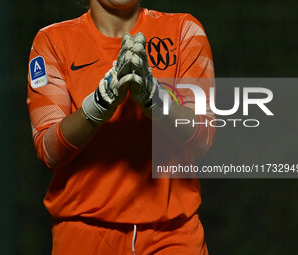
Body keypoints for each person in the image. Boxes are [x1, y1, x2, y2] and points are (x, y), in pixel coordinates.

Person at [27, 0, 215, 254]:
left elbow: (202, 137)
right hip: (83, 235)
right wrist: (98, 106)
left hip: (173, 236)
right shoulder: (52, 41)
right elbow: (49, 149)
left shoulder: (184, 31)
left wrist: (157, 101)